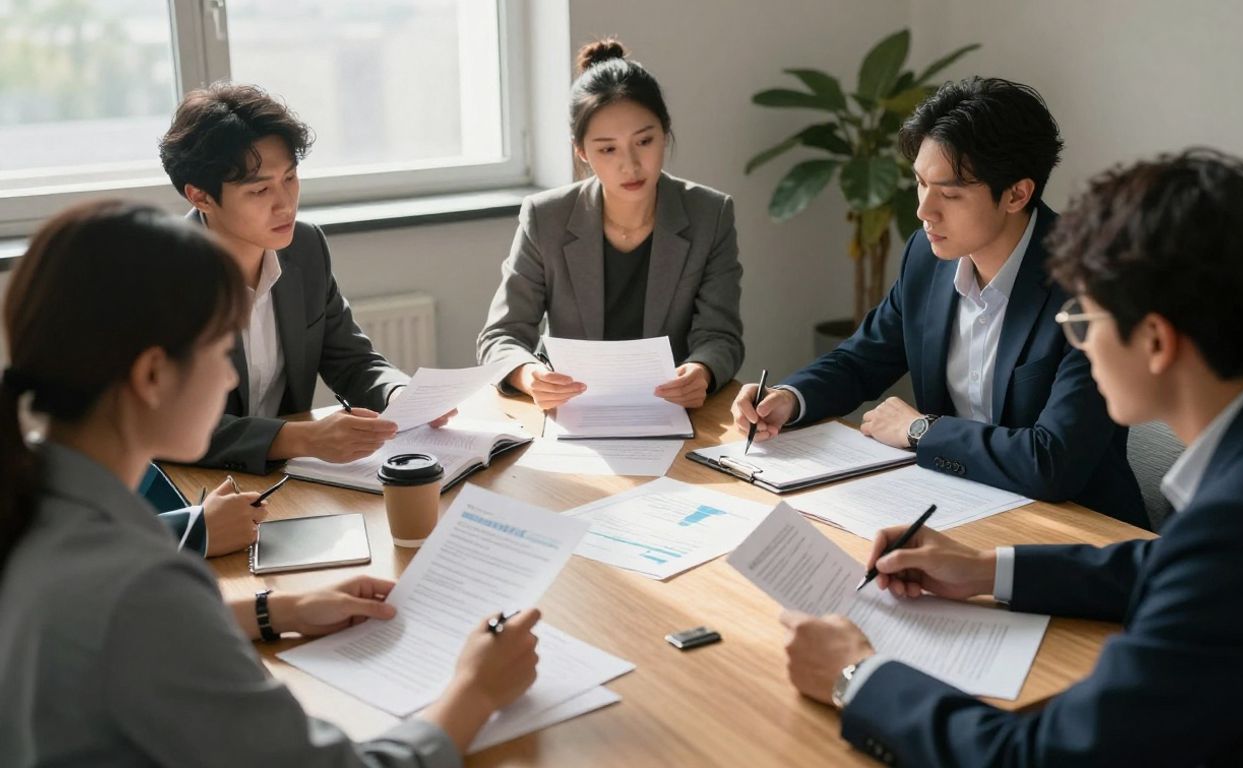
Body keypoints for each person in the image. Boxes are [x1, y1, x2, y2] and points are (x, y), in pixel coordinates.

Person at [779, 150, 1243, 765]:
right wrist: (986, 571)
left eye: (1084, 317)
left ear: (1157, 340)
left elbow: (1044, 757)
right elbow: (1172, 565)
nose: (1077, 338)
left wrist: (856, 677)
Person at [0, 201, 541, 765]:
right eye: (219, 349)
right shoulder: (138, 586)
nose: (232, 374)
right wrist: (474, 692)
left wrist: (278, 610)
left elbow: (126, 641)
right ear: (153, 375)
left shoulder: (36, 500)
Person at [732, 77, 1145, 527]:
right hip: (956, 507)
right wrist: (790, 398)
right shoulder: (927, 258)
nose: (924, 211)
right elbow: (862, 359)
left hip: (1077, 530)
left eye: (949, 194)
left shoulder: (1092, 286)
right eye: (919, 184)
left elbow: (1053, 462)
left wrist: (920, 431)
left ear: (1017, 194)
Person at [158, 83, 450, 477]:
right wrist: (304, 438)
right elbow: (169, 425)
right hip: (194, 484)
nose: (286, 204)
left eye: (291, 179)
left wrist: (400, 395)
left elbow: (350, 359)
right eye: (260, 189)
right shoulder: (160, 275)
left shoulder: (305, 246)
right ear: (200, 197)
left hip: (283, 478)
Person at [478, 39, 744, 410]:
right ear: (582, 151)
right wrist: (529, 375)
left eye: (645, 141)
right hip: (571, 412)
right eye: (607, 149)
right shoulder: (545, 217)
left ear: (665, 132)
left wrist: (702, 370)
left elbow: (720, 335)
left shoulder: (709, 214)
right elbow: (501, 336)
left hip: (672, 412)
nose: (631, 165)